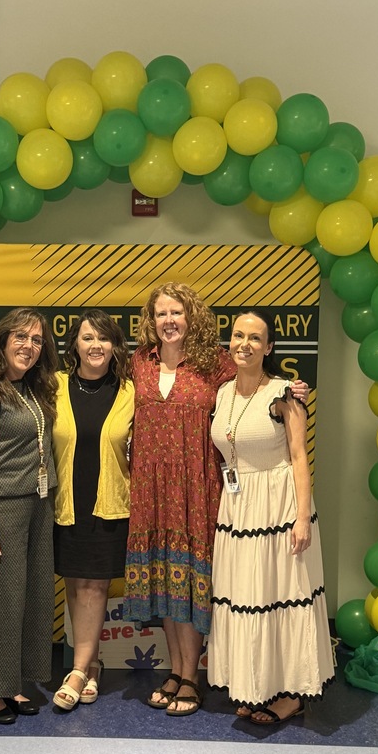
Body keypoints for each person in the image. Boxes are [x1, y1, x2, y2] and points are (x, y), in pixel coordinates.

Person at [124, 283, 308, 717]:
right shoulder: (139, 362)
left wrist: (292, 390)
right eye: (161, 313)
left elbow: (257, 382)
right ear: (151, 320)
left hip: (199, 487)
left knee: (191, 583)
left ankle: (192, 677)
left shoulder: (215, 363)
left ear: (192, 318)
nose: (169, 321)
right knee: (164, 580)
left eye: (177, 312)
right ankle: (175, 669)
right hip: (151, 490)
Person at [207, 310, 335, 724]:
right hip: (237, 507)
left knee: (283, 595)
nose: (244, 344)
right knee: (247, 598)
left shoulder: (284, 393)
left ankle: (292, 695)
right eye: (238, 335)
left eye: (255, 338)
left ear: (269, 347)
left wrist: (302, 517)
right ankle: (255, 686)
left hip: (278, 505)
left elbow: (299, 458)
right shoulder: (223, 392)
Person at [0, 307, 59, 724]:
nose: (29, 346)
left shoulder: (34, 389)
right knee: (0, 602)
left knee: (31, 599)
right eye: (20, 337)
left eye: (36, 340)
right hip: (2, 508)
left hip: (39, 505)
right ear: (1, 341)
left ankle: (13, 681)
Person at [51, 310, 134, 710]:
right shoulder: (54, 385)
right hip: (67, 502)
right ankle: (93, 664)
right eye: (87, 338)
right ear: (75, 345)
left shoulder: (130, 391)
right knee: (74, 585)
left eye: (104, 338)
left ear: (115, 346)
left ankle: (77, 670)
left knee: (94, 587)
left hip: (109, 504)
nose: (96, 345)